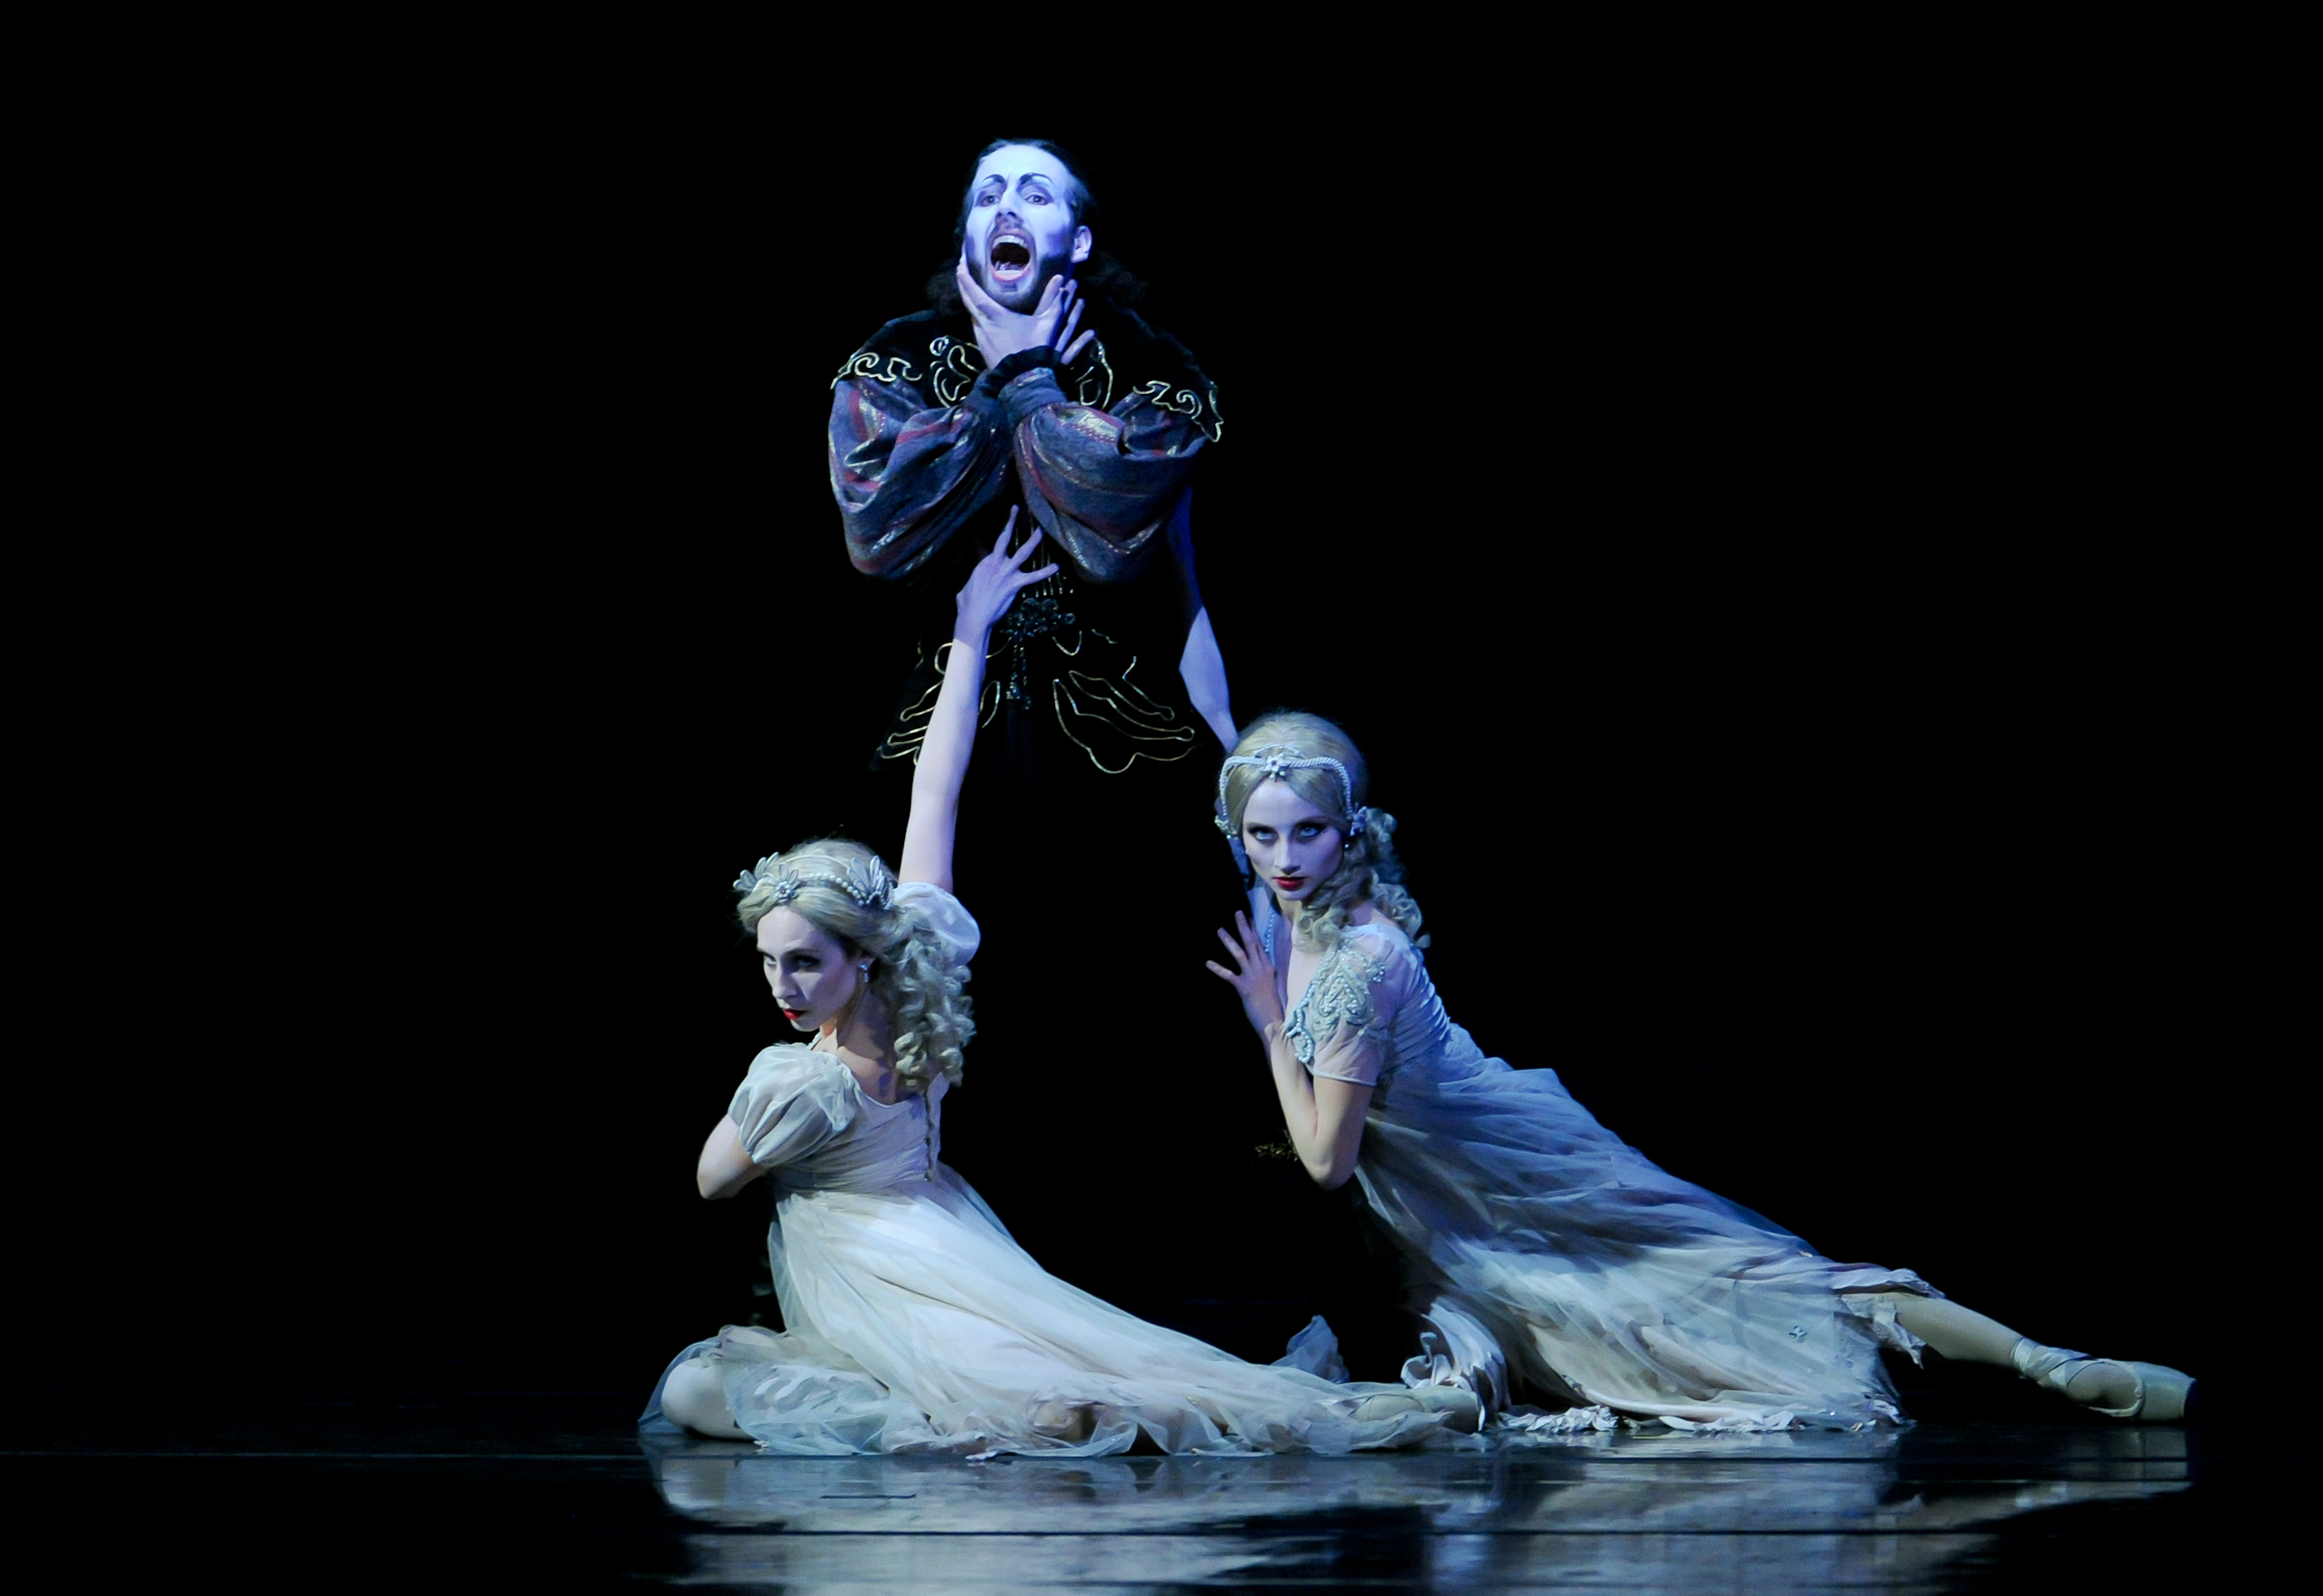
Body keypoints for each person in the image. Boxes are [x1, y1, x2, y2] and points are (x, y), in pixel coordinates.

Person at [642, 523, 1470, 1457]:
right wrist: (969, 634)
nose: (782, 986)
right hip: (949, 1238)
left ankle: (1040, 1421)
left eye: (802, 962)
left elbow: (714, 1179)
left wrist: (969, 634)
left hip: (885, 1267)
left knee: (714, 1388)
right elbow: (933, 792)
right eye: (769, 963)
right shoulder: (923, 971)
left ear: (858, 957)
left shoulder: (799, 1080)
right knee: (1032, 1363)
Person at [1203, 712, 2197, 1432]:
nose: (1285, 857)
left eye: (1309, 832)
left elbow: (1328, 1163)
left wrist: (1265, 1027)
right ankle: (2040, 1361)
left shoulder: (1356, 965)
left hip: (1498, 1183)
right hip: (1462, 1179)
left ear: (1351, 830)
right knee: (1686, 1297)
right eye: (1263, 834)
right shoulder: (1298, 915)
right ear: (1234, 833)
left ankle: (2047, 1363)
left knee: (1717, 1291)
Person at [829, 137, 1236, 799]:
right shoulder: (896, 358)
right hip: (939, 729)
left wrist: (1032, 385)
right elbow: (879, 529)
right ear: (965, 236)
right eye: (988, 197)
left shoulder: (1151, 364)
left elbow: (1114, 529)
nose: (1008, 209)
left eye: (1035, 194)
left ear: (1078, 242)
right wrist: (997, 394)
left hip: (1127, 741)